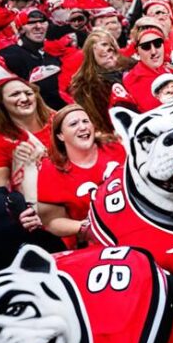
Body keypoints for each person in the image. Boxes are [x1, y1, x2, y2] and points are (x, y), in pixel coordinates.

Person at [35, 103, 124, 248]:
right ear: (60, 135)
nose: (82, 127)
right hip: (92, 242)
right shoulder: (50, 169)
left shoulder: (116, 148)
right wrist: (86, 227)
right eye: (73, 124)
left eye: (85, 121)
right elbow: (52, 221)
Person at [0, 8, 66, 109]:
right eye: (31, 23)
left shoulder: (53, 55)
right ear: (20, 28)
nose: (38, 26)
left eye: (42, 22)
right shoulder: (9, 55)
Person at [0, 76, 52, 190]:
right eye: (15, 94)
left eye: (28, 93)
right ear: (1, 101)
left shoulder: (58, 120)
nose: (24, 98)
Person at [121, 21, 173, 112]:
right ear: (137, 51)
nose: (154, 51)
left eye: (157, 44)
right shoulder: (130, 82)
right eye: (146, 46)